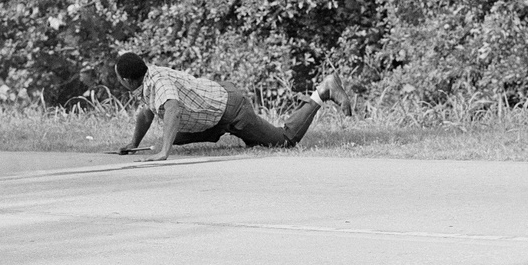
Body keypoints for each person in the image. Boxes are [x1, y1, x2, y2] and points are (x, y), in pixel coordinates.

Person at [114, 52, 353, 161]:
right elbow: (146, 113)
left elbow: (173, 109)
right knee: (172, 136)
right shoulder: (147, 80)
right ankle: (240, 134)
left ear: (126, 80)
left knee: (284, 140)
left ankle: (323, 91)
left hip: (231, 110)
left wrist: (163, 154)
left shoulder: (158, 82)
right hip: (216, 105)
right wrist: (134, 144)